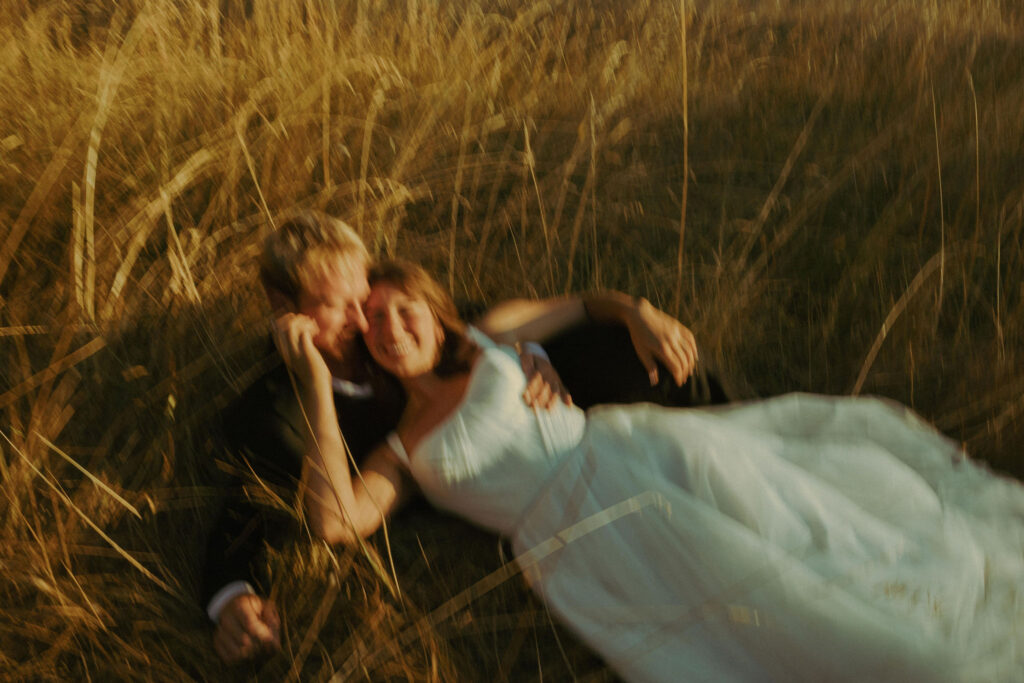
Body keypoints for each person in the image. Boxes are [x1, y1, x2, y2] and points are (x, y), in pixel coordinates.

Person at [303, 258, 1024, 683]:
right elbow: (335, 520)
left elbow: (583, 304)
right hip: (576, 549)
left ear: (434, 311)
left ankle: (918, 616)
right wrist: (311, 380)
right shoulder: (400, 447)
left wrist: (638, 313)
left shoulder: (492, 336)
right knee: (738, 629)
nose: (392, 329)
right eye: (375, 322)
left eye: (403, 310)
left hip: (632, 454)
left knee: (796, 536)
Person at [203, 211, 727, 663]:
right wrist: (231, 597)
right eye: (335, 306)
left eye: (363, 299)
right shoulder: (272, 415)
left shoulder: (393, 319)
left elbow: (471, 323)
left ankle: (715, 414)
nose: (365, 322)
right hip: (499, 504)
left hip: (575, 437)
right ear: (284, 308)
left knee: (643, 363)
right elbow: (248, 514)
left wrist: (571, 337)